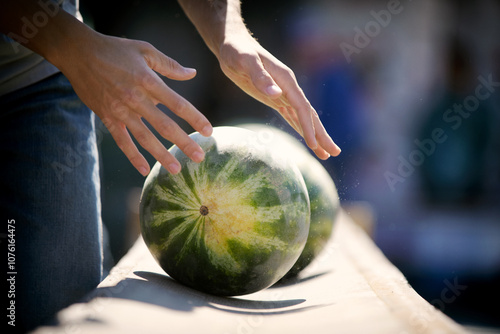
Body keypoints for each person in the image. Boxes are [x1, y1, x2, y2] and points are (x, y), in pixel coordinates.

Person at [0, 0, 341, 331]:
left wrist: (229, 32)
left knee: (54, 299)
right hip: (59, 53)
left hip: (37, 76)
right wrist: (73, 45)